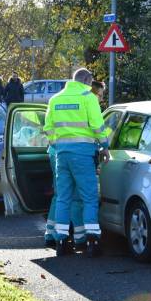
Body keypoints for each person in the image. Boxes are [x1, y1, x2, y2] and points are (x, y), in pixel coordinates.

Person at [44, 68, 111, 257]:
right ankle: (93, 241)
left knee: (63, 198)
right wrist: (105, 146)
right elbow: (98, 126)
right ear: (88, 81)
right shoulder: (88, 98)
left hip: (62, 155)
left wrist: (58, 145)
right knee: (89, 197)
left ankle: (62, 242)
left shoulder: (55, 99)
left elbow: (48, 128)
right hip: (83, 154)